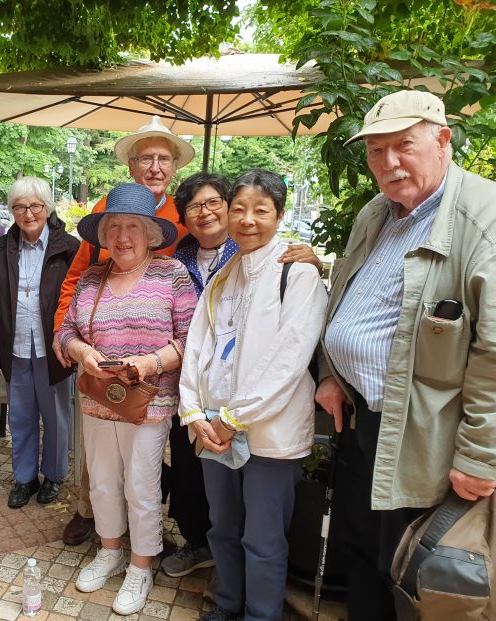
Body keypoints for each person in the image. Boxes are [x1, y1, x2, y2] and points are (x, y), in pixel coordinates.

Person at [316, 89, 496, 621]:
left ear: (442, 140)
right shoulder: (378, 211)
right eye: (376, 150)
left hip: (428, 437)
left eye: (404, 146)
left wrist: (480, 455)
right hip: (362, 422)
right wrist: (332, 374)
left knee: (421, 573)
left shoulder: (483, 221)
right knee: (363, 554)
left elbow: (494, 351)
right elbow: (342, 297)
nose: (388, 163)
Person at [179, 169, 327, 621]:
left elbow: (289, 360)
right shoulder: (227, 273)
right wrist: (193, 411)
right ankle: (227, 606)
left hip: (265, 434)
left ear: (279, 215)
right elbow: (199, 344)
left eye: (260, 211)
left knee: (262, 538)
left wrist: (233, 417)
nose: (247, 220)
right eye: (238, 209)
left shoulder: (297, 274)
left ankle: (261, 615)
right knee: (223, 528)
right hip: (212, 426)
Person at [52, 115, 193, 547]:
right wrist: (68, 340)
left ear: (173, 167)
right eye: (146, 159)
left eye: (163, 159)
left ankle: (146, 542)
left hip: (162, 365)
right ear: (131, 166)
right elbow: (78, 280)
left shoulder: (182, 216)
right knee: (101, 469)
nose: (154, 166)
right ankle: (96, 521)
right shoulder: (106, 209)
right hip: (102, 361)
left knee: (145, 470)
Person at [57, 183, 197, 616]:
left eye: (132, 227)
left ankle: (141, 564)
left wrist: (148, 364)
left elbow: (191, 338)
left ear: (151, 234)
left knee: (140, 485)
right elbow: (67, 332)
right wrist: (82, 352)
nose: (122, 236)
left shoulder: (171, 275)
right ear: (103, 234)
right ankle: (110, 549)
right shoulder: (94, 276)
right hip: (99, 398)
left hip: (148, 403)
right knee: (101, 480)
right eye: (113, 226)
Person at [0, 177, 80, 508]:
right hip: (16, 347)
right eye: (19, 206)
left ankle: (53, 475)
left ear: (47, 208)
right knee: (20, 417)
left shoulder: (68, 247)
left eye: (35, 206)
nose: (28, 213)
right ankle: (24, 478)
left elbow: (78, 301)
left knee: (56, 417)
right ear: (11, 210)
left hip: (55, 351)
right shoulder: (2, 248)